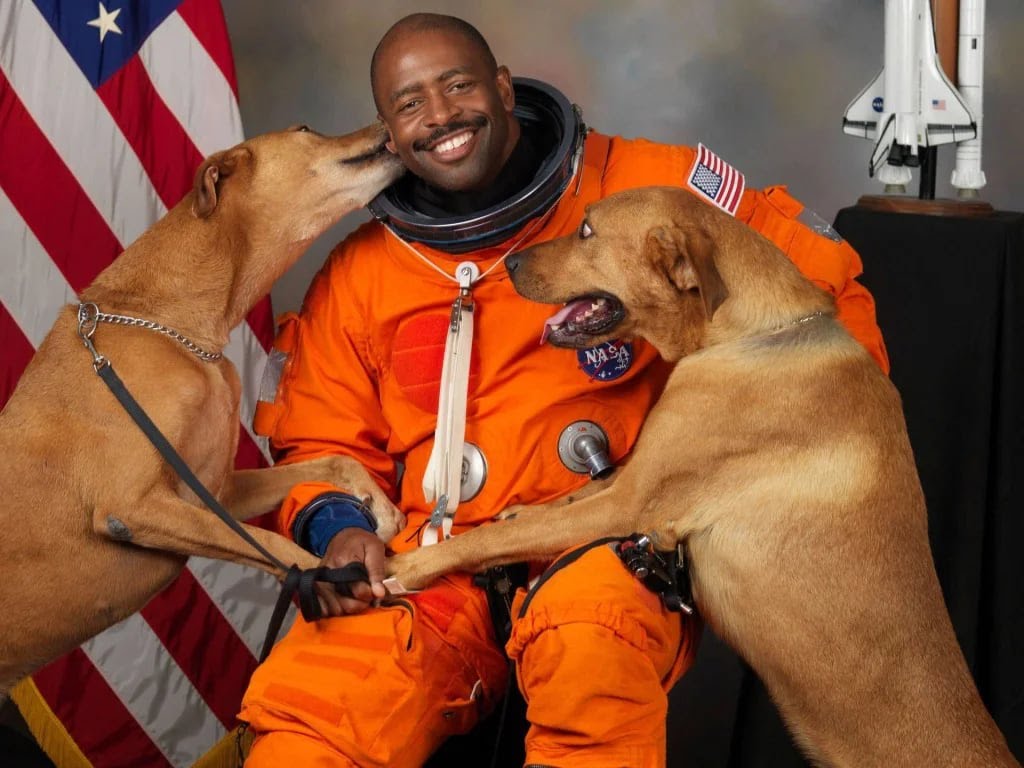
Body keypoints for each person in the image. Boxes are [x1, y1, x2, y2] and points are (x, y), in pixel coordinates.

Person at [239, 12, 890, 768]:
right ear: (388, 131)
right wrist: (337, 530)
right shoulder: (361, 275)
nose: (441, 116)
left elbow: (818, 297)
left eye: (457, 86)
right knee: (309, 716)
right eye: (411, 103)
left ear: (504, 88)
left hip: (609, 544)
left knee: (591, 655)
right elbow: (319, 437)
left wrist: (759, 482)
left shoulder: (653, 191)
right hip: (431, 561)